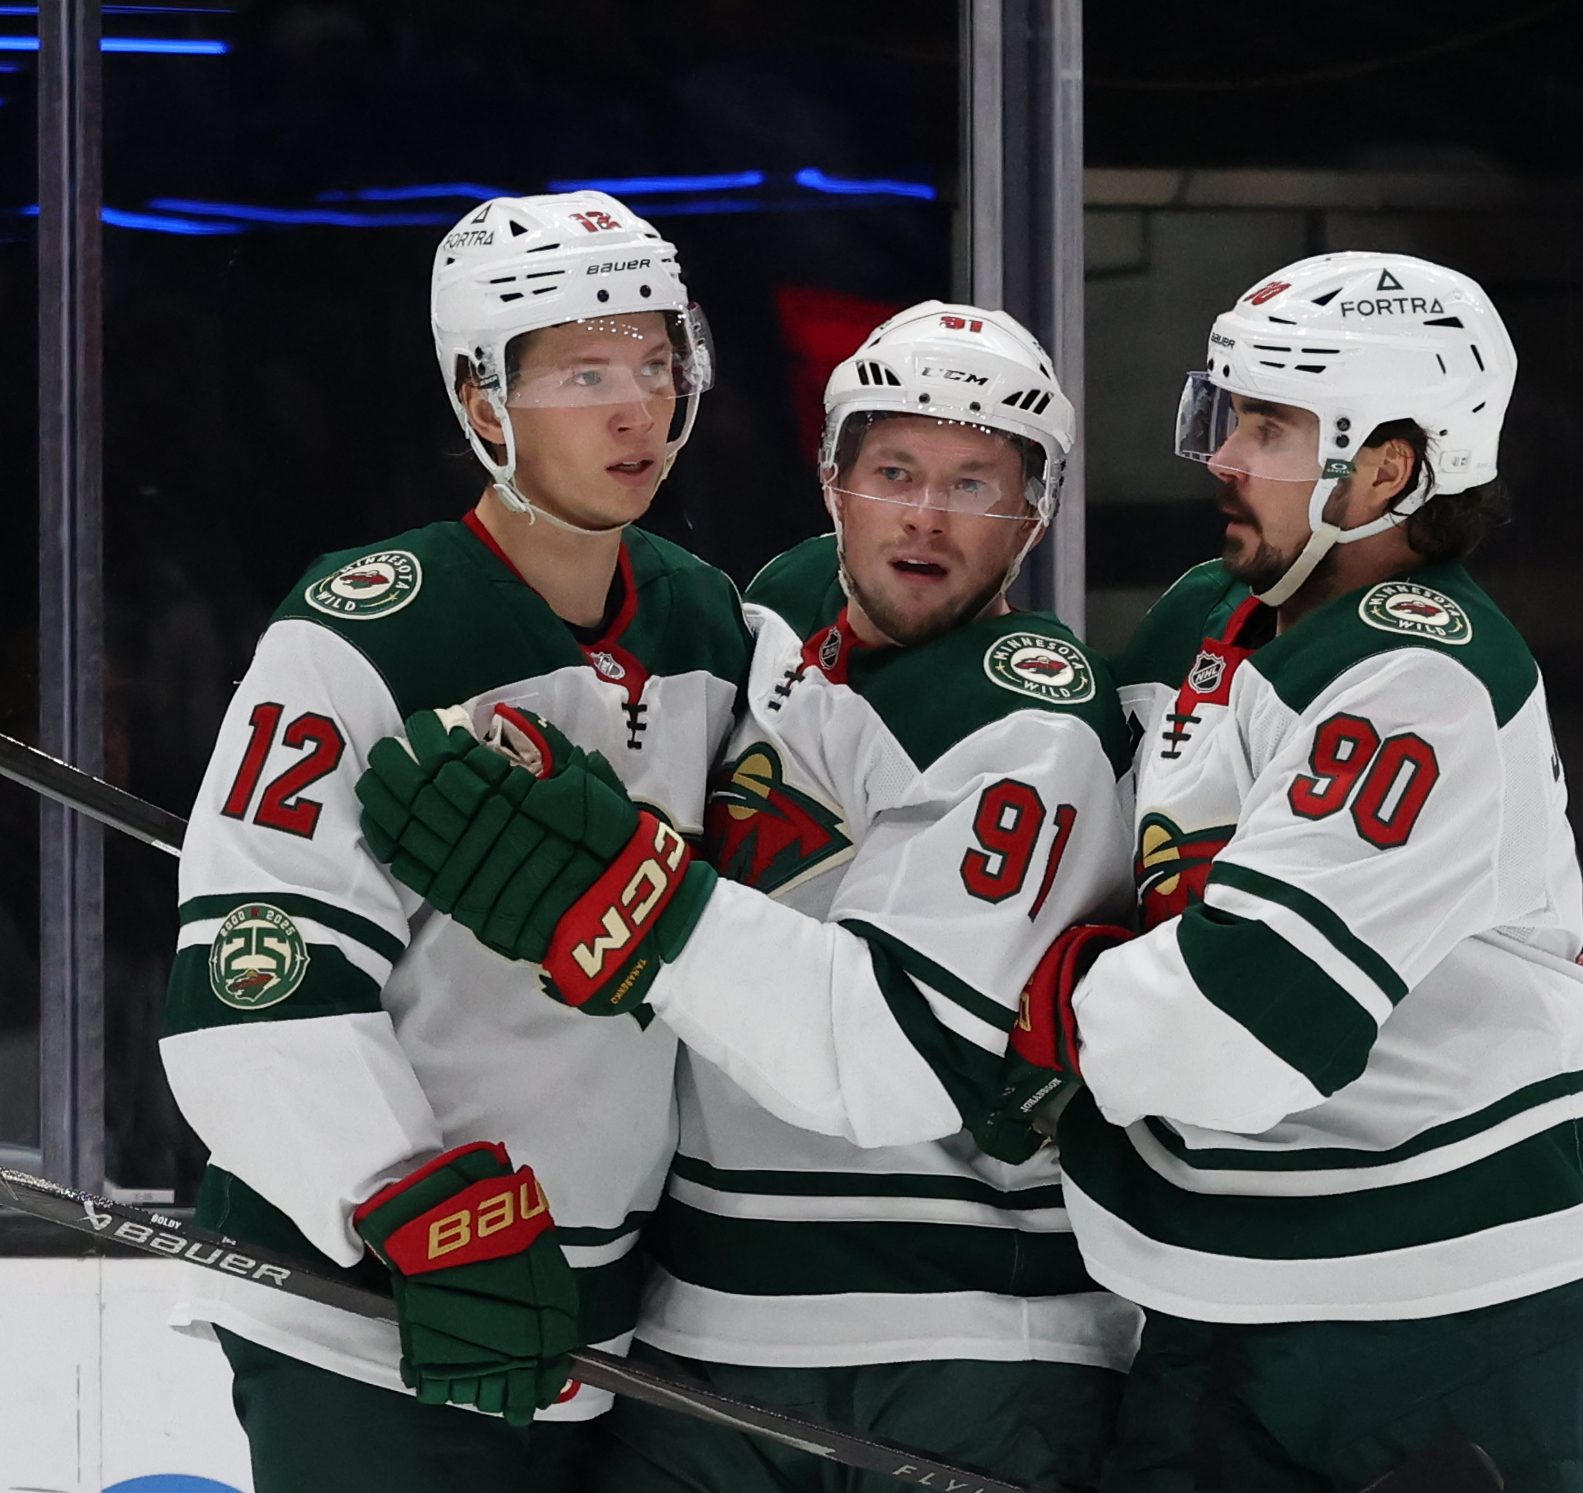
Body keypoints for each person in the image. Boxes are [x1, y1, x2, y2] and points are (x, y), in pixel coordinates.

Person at [359, 303, 1140, 1492]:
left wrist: (620, 900)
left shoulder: (1029, 714)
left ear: (1033, 514)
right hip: (708, 1335)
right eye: (895, 470)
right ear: (832, 478)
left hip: (971, 1342)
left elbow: (885, 1051)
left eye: (976, 483)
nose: (926, 516)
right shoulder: (760, 622)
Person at [1007, 252, 1583, 1492]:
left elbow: (1236, 1026)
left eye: (1267, 425)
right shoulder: (1211, 614)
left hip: (1481, 1296)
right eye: (1227, 414)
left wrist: (1037, 1016)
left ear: (1389, 467)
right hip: (1237, 1269)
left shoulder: (1422, 675)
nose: (1219, 454)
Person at [157, 191, 749, 1493]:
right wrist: (401, 1200)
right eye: (585, 373)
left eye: (656, 365)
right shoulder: (362, 633)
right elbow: (253, 974)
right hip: (370, 1313)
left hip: (604, 1315)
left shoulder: (708, 625)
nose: (636, 408)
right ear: (484, 405)